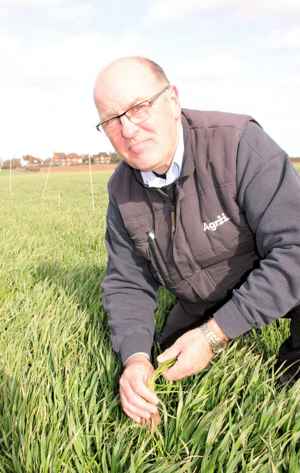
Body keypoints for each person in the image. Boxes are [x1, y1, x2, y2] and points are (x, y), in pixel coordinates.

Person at [93, 56, 300, 426]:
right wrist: (135, 359)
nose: (128, 129)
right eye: (111, 119)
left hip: (265, 274)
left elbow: (295, 248)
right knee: (163, 370)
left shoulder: (239, 143)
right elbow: (127, 282)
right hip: (201, 297)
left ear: (172, 100)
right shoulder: (121, 190)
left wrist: (214, 335)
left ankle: (290, 374)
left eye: (139, 107)